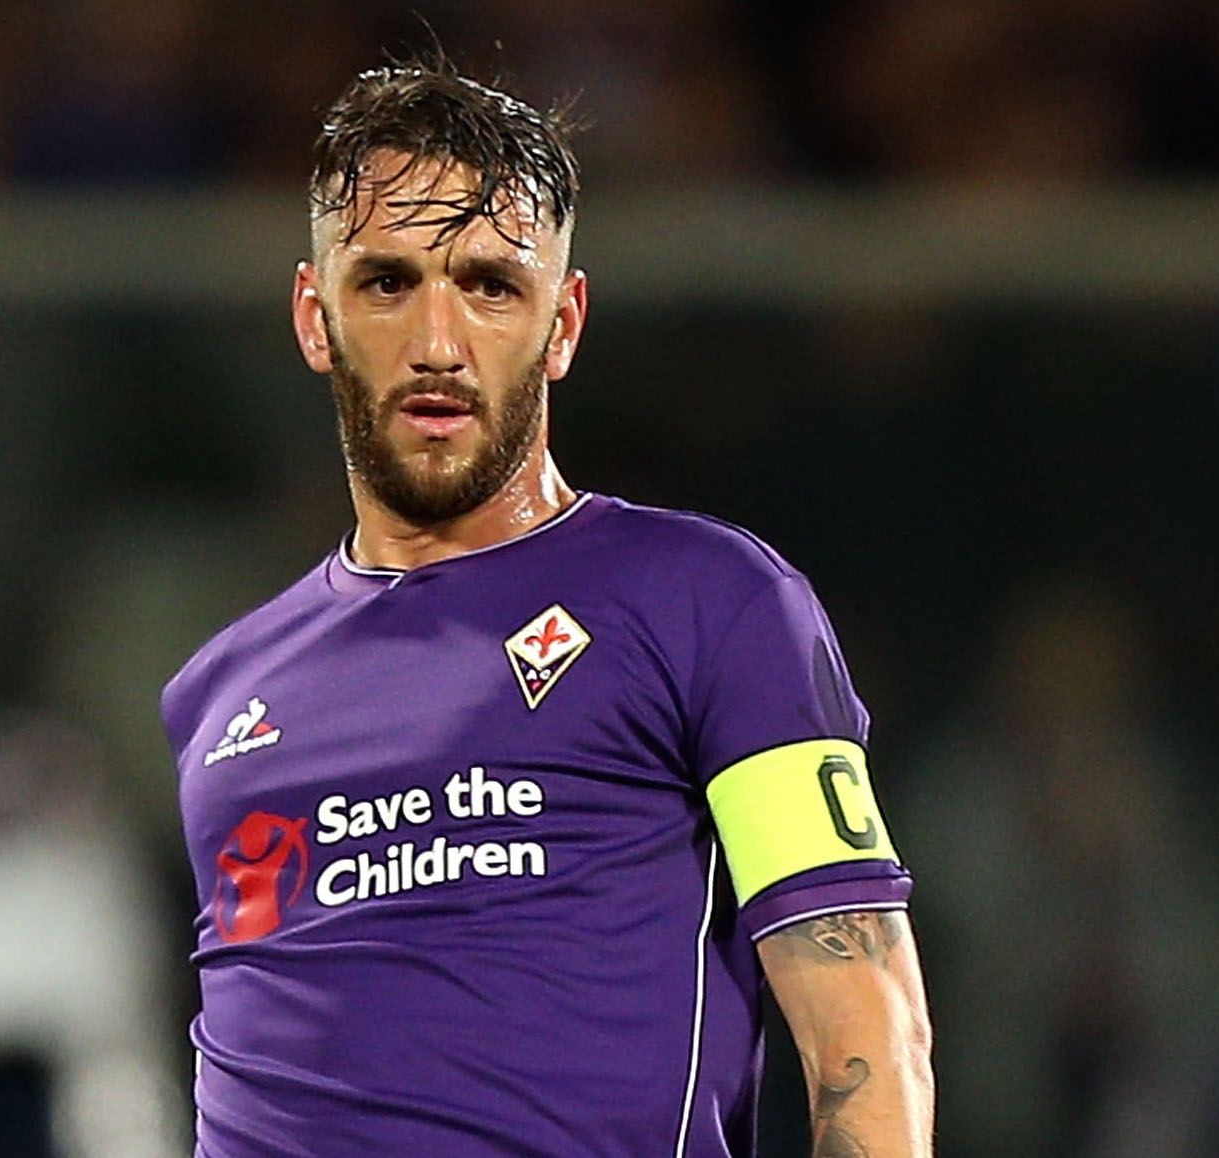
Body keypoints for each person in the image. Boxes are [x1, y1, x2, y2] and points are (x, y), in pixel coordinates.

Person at [161, 54, 933, 1157]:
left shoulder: (709, 605)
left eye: (488, 284)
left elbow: (868, 1035)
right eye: (386, 282)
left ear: (562, 322)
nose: (437, 343)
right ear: (312, 316)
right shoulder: (220, 698)